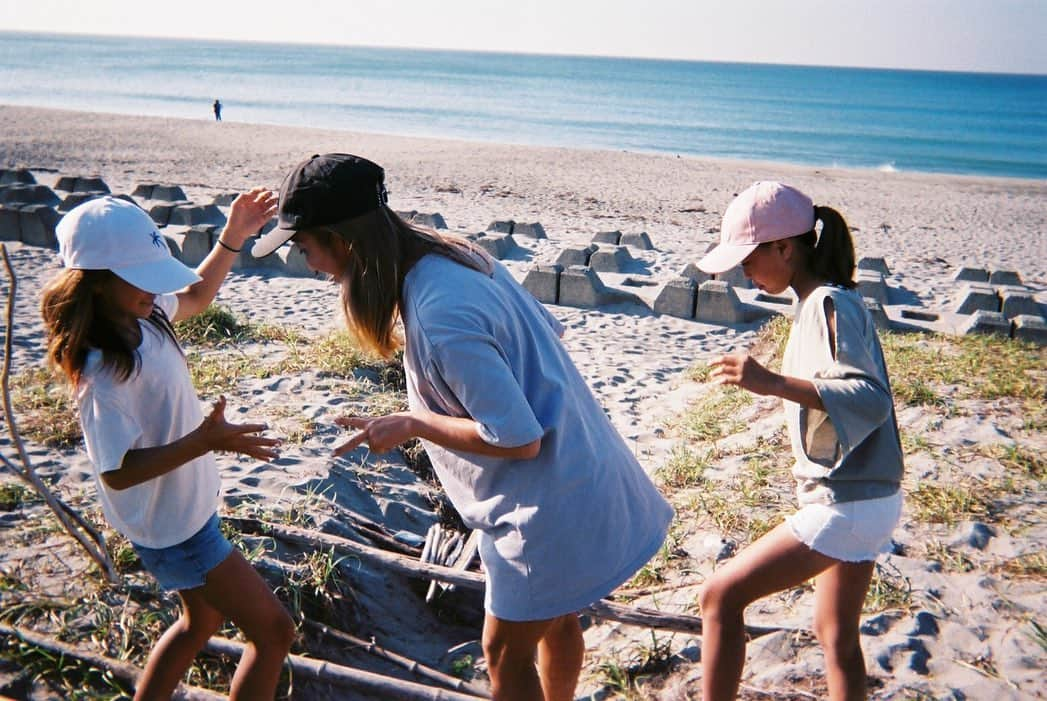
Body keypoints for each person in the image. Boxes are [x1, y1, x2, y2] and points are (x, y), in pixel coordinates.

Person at [251, 153, 674, 701]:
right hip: (584, 470)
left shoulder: (438, 313)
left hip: (541, 508)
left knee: (504, 654)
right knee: (561, 622)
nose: (308, 263)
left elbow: (519, 440)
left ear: (341, 240)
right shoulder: (457, 258)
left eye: (304, 246)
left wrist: (413, 423)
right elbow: (547, 334)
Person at [41, 194, 295, 700]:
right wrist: (204, 441)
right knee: (274, 633)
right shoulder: (103, 375)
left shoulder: (144, 314)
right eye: (143, 276)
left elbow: (197, 295)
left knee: (199, 623)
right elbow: (116, 471)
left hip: (182, 510)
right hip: (173, 529)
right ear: (95, 280)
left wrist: (233, 235)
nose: (156, 288)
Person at [695, 182, 904, 701]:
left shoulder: (827, 303)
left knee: (719, 596)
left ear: (785, 248)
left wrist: (768, 382)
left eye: (749, 257)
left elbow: (869, 397)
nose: (743, 271)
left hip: (848, 502)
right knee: (835, 635)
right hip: (870, 495)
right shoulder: (826, 300)